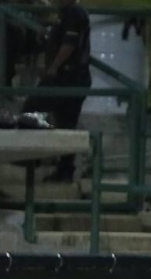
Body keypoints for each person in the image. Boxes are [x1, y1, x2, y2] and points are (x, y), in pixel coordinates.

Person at [21, 0, 91, 182]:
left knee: (30, 110)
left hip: (66, 77)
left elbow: (69, 44)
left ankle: (30, 158)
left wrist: (53, 66)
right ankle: (64, 170)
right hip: (71, 77)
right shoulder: (66, 13)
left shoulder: (74, 13)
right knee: (65, 124)